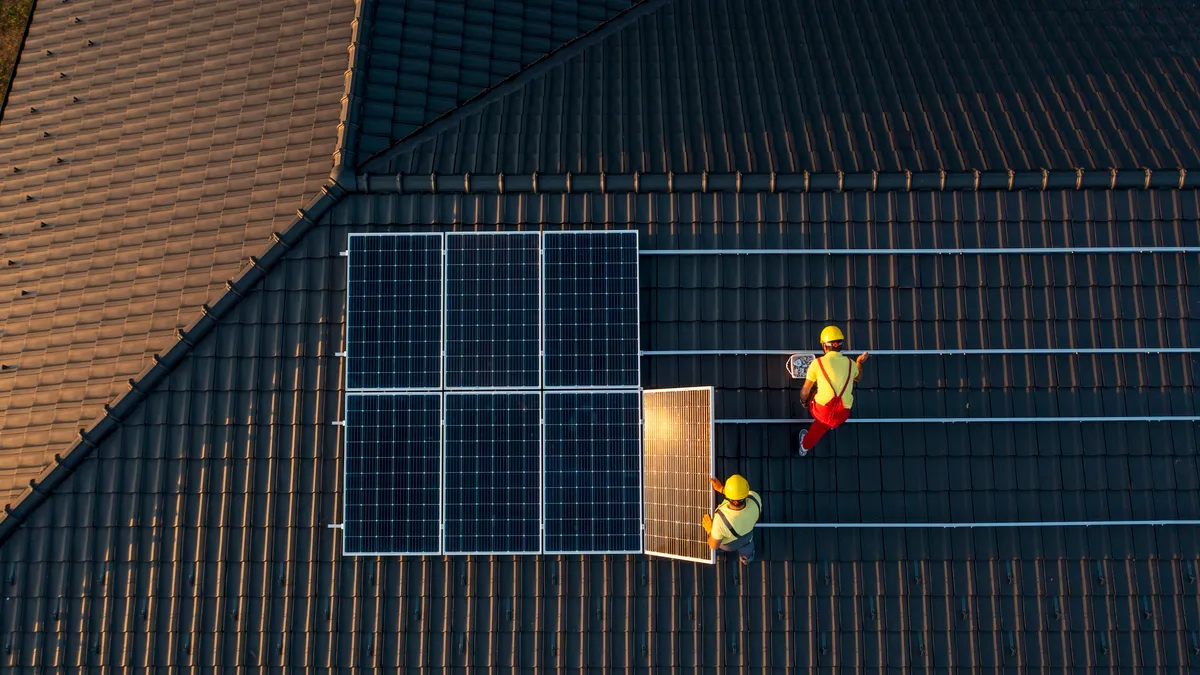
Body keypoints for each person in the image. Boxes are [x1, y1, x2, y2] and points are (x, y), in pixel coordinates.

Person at [797, 325, 869, 457]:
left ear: (825, 346)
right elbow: (858, 377)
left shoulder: (817, 364)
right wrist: (859, 362)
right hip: (842, 414)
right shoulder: (851, 364)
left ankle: (805, 445)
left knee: (820, 422)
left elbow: (805, 391)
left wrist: (803, 401)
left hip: (822, 410)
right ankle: (809, 441)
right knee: (825, 424)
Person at [700, 474, 761, 564]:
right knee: (747, 549)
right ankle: (747, 559)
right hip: (747, 538)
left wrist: (710, 529)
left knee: (717, 541)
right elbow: (740, 498)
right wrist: (721, 489)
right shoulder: (755, 499)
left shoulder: (720, 520)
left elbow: (713, 546)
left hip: (729, 546)